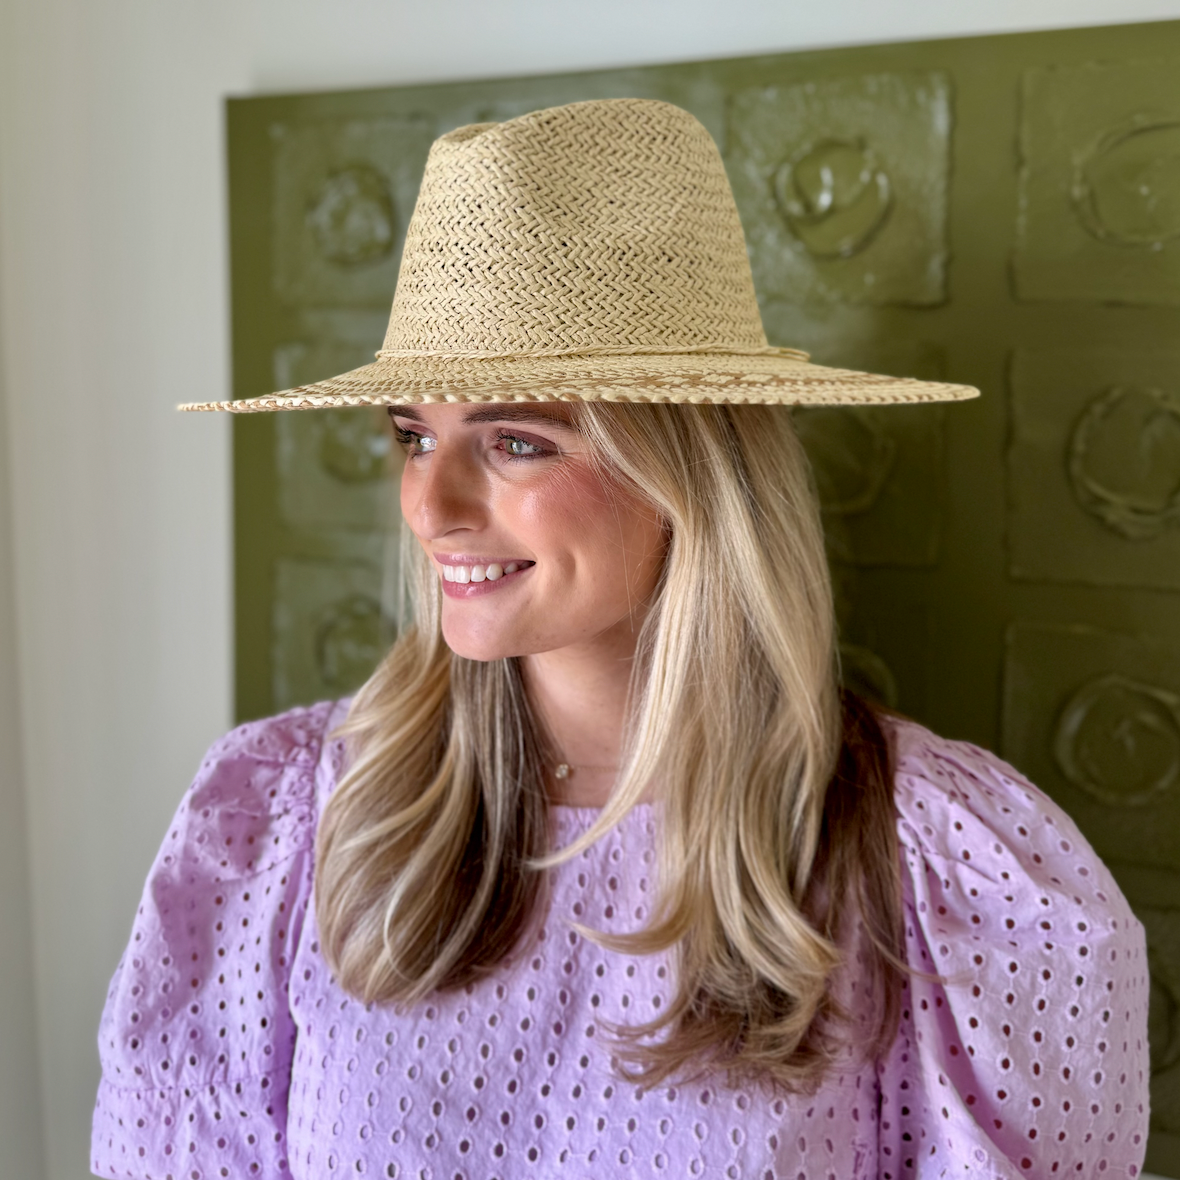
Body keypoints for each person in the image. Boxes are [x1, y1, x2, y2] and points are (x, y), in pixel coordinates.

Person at [90, 99, 1149, 1179]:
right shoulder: (289, 817)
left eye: (513, 440)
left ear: (686, 476)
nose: (433, 506)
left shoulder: (930, 861)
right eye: (414, 435)